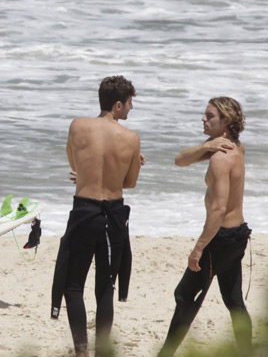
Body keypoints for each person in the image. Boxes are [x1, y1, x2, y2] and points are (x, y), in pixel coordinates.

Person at [51, 75, 142, 357]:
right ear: (117, 105)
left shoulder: (77, 126)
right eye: (129, 104)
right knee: (105, 287)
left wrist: (87, 175)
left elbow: (74, 163)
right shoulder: (131, 138)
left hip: (84, 211)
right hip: (113, 215)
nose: (130, 109)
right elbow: (128, 183)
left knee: (73, 284)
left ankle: (80, 351)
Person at [158, 97, 252, 357]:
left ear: (226, 121)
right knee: (234, 302)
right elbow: (180, 160)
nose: (203, 118)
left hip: (219, 239)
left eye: (209, 115)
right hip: (238, 235)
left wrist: (198, 248)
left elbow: (218, 210)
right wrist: (208, 144)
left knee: (184, 296)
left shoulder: (220, 159)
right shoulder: (235, 147)